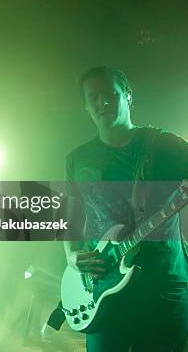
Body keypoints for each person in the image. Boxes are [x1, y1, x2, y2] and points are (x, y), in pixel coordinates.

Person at [63, 66, 187, 351]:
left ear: (128, 96)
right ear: (85, 105)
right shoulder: (77, 158)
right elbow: (70, 215)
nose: (102, 103)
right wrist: (71, 257)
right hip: (101, 286)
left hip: (163, 285)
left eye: (110, 94)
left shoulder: (165, 146)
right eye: (93, 97)